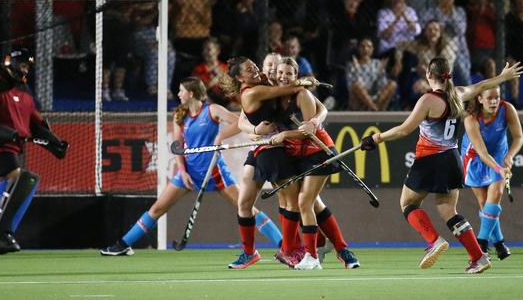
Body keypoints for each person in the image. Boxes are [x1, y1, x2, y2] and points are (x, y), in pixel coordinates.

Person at [360, 57, 523, 274]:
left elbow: (404, 129)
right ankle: (478, 257)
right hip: (452, 159)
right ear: (449, 74)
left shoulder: (428, 100)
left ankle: (434, 241)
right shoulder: (459, 93)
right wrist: (503, 77)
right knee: (448, 210)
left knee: (408, 203)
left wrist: (376, 138)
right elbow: (483, 86)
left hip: (429, 159)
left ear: (429, 74)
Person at [100, 77, 282, 256]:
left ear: (191, 93)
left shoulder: (212, 110)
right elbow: (178, 147)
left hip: (215, 171)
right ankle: (123, 245)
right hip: (189, 172)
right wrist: (182, 171)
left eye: (181, 90)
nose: (178, 94)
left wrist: (220, 138)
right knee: (157, 209)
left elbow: (239, 123)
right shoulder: (180, 116)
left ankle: (284, 244)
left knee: (247, 208)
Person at [0, 48, 68, 254]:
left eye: (27, 66)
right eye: (22, 65)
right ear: (10, 63)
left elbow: (34, 119)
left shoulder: (24, 90)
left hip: (11, 145)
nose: (24, 69)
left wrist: (53, 140)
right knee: (18, 177)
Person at [220, 57, 316, 269]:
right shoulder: (253, 92)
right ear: (239, 77)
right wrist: (304, 81)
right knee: (276, 202)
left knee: (253, 203)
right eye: (248, 69)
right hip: (268, 149)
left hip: (269, 148)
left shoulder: (261, 84)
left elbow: (245, 119)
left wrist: (253, 130)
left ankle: (283, 250)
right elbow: (282, 91)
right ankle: (273, 252)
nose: (255, 70)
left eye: (254, 65)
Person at [271, 57, 359, 270]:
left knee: (304, 202)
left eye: (289, 74)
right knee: (315, 204)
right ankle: (343, 251)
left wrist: (284, 135)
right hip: (299, 157)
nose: (284, 77)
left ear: (296, 76)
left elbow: (307, 133)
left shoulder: (302, 95)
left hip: (319, 152)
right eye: (280, 73)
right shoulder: (272, 95)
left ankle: (312, 257)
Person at [461, 86, 523, 260]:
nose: (495, 101)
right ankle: (500, 243)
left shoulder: (507, 109)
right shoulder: (471, 119)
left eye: (497, 97)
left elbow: (518, 137)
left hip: (499, 155)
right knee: (484, 204)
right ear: (480, 99)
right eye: (490, 98)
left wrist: (509, 156)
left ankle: (481, 243)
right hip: (474, 158)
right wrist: (499, 169)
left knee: (495, 196)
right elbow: (482, 153)